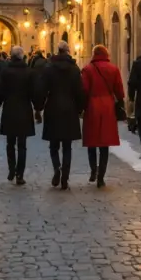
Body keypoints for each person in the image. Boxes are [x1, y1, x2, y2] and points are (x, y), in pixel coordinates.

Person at [36, 41, 85, 190]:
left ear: (57, 51)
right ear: (68, 51)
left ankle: (57, 168)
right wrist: (80, 108)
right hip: (69, 108)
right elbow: (80, 91)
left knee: (54, 145)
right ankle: (65, 176)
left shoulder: (49, 68)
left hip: (53, 108)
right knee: (67, 146)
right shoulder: (74, 69)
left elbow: (42, 90)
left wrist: (38, 107)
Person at [81, 44, 124, 188]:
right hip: (108, 107)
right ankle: (101, 177)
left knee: (92, 141)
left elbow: (84, 90)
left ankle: (93, 170)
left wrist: (82, 106)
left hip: (92, 106)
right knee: (104, 143)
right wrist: (120, 102)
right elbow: (119, 90)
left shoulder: (88, 69)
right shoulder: (114, 69)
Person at [0, 46, 38, 185]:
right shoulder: (29, 72)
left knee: (10, 143)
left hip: (9, 109)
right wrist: (38, 108)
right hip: (24, 110)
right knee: (22, 145)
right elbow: (33, 92)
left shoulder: (5, 71)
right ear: (22, 56)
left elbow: (0, 90)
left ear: (11, 56)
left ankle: (11, 169)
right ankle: (20, 174)